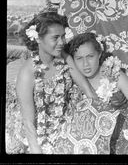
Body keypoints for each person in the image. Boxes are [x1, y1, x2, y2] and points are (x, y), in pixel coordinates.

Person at [6, 12, 96, 154]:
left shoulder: (65, 58)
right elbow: (28, 121)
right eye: (55, 38)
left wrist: (100, 113)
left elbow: (87, 90)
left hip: (66, 120)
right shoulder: (27, 72)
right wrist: (36, 148)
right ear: (38, 39)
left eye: (63, 36)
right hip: (37, 129)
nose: (62, 42)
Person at [55, 32, 128, 154]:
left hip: (121, 131)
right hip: (88, 136)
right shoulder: (71, 81)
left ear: (99, 54)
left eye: (90, 56)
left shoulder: (115, 76)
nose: (85, 64)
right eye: (79, 58)